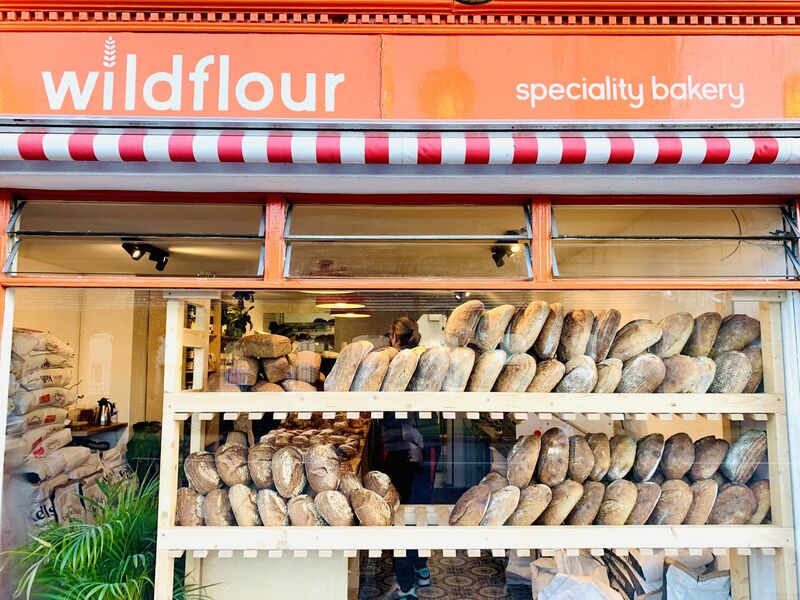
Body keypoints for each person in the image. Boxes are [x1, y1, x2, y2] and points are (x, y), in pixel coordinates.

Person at [381, 317, 435, 600]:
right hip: (428, 448)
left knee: (400, 515)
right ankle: (422, 570)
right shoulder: (427, 361)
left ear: (395, 337)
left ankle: (405, 586)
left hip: (401, 450)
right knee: (421, 510)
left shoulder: (395, 364)